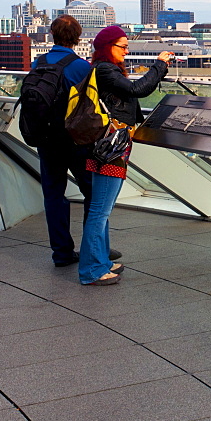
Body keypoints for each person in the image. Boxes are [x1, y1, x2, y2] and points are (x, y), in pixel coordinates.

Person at [79, 26, 171, 285]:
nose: (127, 50)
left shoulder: (99, 69)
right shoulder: (106, 70)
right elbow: (138, 90)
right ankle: (91, 271)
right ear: (108, 46)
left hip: (102, 143)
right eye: (122, 46)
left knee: (99, 208)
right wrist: (159, 66)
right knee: (100, 210)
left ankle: (101, 262)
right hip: (112, 147)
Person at [34, 15, 122, 267]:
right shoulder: (81, 67)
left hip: (46, 140)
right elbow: (94, 106)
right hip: (75, 141)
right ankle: (93, 250)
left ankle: (61, 253)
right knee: (93, 196)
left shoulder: (38, 63)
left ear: (52, 35)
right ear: (78, 37)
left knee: (53, 195)